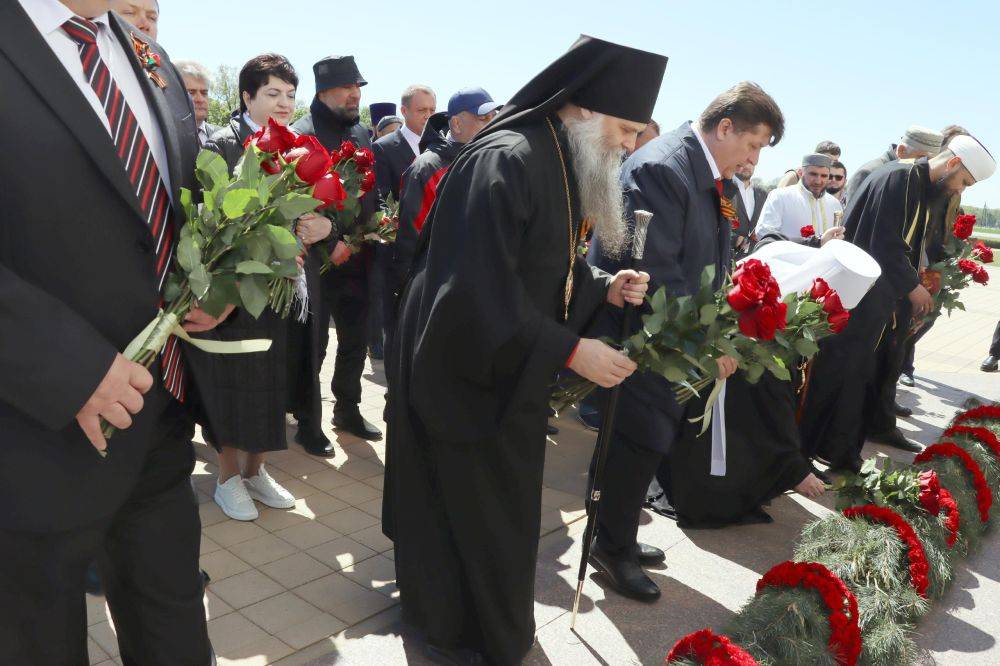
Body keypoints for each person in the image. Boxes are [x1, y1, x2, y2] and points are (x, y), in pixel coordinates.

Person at [384, 35, 664, 664]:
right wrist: (572, 351)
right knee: (467, 504)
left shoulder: (559, 159)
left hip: (502, 358)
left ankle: (491, 626)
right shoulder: (509, 157)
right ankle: (460, 631)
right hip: (459, 361)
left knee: (498, 509)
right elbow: (475, 286)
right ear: (587, 110)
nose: (628, 145)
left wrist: (602, 287)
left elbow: (543, 266)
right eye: (624, 130)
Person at [0, 1, 226, 662]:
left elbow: (167, 209)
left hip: (157, 429)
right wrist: (68, 366)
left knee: (176, 632)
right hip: (25, 440)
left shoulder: (146, 56)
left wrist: (210, 287)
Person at [589, 81, 784, 601]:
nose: (753, 157)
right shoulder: (663, 168)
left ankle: (616, 533)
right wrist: (706, 342)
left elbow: (709, 263)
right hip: (642, 335)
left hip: (670, 334)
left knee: (648, 438)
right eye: (752, 144)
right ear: (725, 127)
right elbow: (658, 273)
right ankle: (610, 548)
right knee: (637, 438)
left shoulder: (702, 170)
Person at [800, 135, 996, 472]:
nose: (959, 191)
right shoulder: (900, 179)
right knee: (840, 376)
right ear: (951, 164)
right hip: (859, 298)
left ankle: (839, 453)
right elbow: (885, 244)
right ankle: (812, 455)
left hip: (875, 298)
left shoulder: (916, 182)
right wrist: (913, 289)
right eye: (963, 182)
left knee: (859, 378)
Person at [188, 54, 327, 521]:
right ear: (247, 96)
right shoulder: (226, 145)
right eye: (272, 93)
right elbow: (213, 223)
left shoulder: (299, 147)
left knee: (275, 381)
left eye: (290, 94)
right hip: (236, 292)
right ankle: (228, 478)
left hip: (282, 292)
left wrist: (320, 225)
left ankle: (256, 471)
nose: (284, 103)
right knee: (237, 385)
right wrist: (221, 295)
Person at [293, 56, 383, 442]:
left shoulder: (360, 133)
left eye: (358, 88)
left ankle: (347, 410)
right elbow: (298, 202)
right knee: (314, 345)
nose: (355, 95)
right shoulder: (302, 134)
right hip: (315, 262)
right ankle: (308, 420)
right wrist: (331, 243)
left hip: (357, 260)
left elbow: (368, 194)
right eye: (348, 88)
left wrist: (370, 234)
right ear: (323, 91)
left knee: (355, 340)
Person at [390, 87, 502, 296]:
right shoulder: (426, 168)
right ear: (457, 124)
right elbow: (411, 242)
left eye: (493, 117)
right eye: (484, 118)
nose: (492, 125)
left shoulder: (492, 160)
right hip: (438, 290)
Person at [899, 124, 970, 387]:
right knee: (911, 314)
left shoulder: (950, 186)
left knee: (926, 316)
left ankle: (902, 363)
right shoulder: (924, 177)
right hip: (914, 257)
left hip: (935, 257)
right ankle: (902, 366)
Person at [370, 85, 437, 359]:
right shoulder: (384, 148)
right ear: (405, 111)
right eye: (422, 110)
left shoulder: (440, 146)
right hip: (397, 254)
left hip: (432, 254)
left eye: (432, 110)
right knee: (398, 328)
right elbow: (380, 199)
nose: (428, 116)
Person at [754, 153, 845, 240]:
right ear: (801, 173)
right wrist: (803, 244)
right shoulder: (780, 196)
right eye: (813, 174)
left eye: (824, 176)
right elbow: (764, 233)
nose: (818, 181)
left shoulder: (834, 204)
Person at [844, 125, 943, 202]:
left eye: (931, 161)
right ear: (901, 151)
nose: (926, 165)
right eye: (923, 159)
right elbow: (852, 223)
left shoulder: (916, 179)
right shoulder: (867, 173)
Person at [175, 59, 220, 146]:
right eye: (191, 92)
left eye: (204, 93)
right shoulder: (165, 137)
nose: (200, 99)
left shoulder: (225, 137)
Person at [731, 161, 768, 255]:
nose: (747, 166)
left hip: (753, 257)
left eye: (751, 163)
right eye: (745, 161)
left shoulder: (763, 193)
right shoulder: (724, 188)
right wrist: (737, 239)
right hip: (725, 257)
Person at [776, 140, 840, 187]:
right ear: (816, 156)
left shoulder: (830, 181)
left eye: (835, 161)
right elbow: (778, 200)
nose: (832, 164)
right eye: (828, 159)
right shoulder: (795, 176)